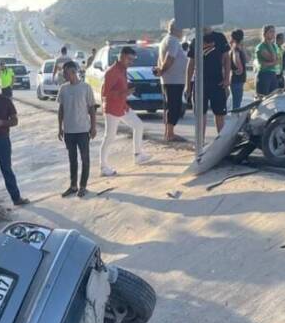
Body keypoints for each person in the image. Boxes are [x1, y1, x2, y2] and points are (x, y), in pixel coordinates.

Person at [100, 46, 151, 176]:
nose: (131, 62)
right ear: (122, 56)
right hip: (112, 108)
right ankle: (103, 167)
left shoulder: (123, 70)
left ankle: (138, 155)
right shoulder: (111, 72)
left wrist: (128, 90)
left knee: (139, 125)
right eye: (129, 59)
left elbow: (120, 87)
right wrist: (124, 92)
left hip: (122, 106)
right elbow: (106, 94)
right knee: (109, 137)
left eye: (133, 60)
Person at [57, 61, 97, 197]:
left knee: (85, 159)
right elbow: (61, 109)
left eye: (66, 72)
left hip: (83, 130)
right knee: (72, 159)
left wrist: (93, 127)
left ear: (73, 72)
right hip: (69, 131)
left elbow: (92, 108)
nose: (64, 75)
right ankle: (73, 186)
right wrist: (59, 128)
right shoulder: (63, 89)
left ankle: (83, 186)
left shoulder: (86, 88)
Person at [185, 27, 231, 133]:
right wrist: (188, 85)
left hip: (217, 81)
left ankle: (220, 143)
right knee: (200, 114)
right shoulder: (196, 40)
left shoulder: (220, 37)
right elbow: (191, 64)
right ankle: (200, 144)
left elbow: (227, 59)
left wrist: (227, 78)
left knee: (220, 114)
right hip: (200, 83)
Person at [155, 19, 188, 142]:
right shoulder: (173, 41)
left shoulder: (166, 40)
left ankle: (168, 132)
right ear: (177, 29)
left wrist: (161, 71)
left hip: (171, 79)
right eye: (182, 29)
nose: (183, 32)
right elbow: (170, 59)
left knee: (170, 106)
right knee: (174, 106)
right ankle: (170, 134)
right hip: (173, 80)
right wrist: (162, 70)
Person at [254, 25, 281, 97]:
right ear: (265, 34)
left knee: (273, 98)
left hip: (273, 74)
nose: (273, 34)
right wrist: (269, 44)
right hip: (264, 74)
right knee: (262, 99)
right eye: (271, 32)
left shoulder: (274, 46)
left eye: (274, 32)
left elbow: (278, 60)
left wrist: (270, 63)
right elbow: (272, 58)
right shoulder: (260, 47)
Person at [228, 29, 249, 111]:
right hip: (237, 79)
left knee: (237, 101)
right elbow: (236, 59)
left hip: (237, 79)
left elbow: (247, 59)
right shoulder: (236, 49)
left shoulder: (237, 48)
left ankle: (235, 117)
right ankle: (235, 119)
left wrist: (243, 48)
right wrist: (240, 69)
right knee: (237, 103)